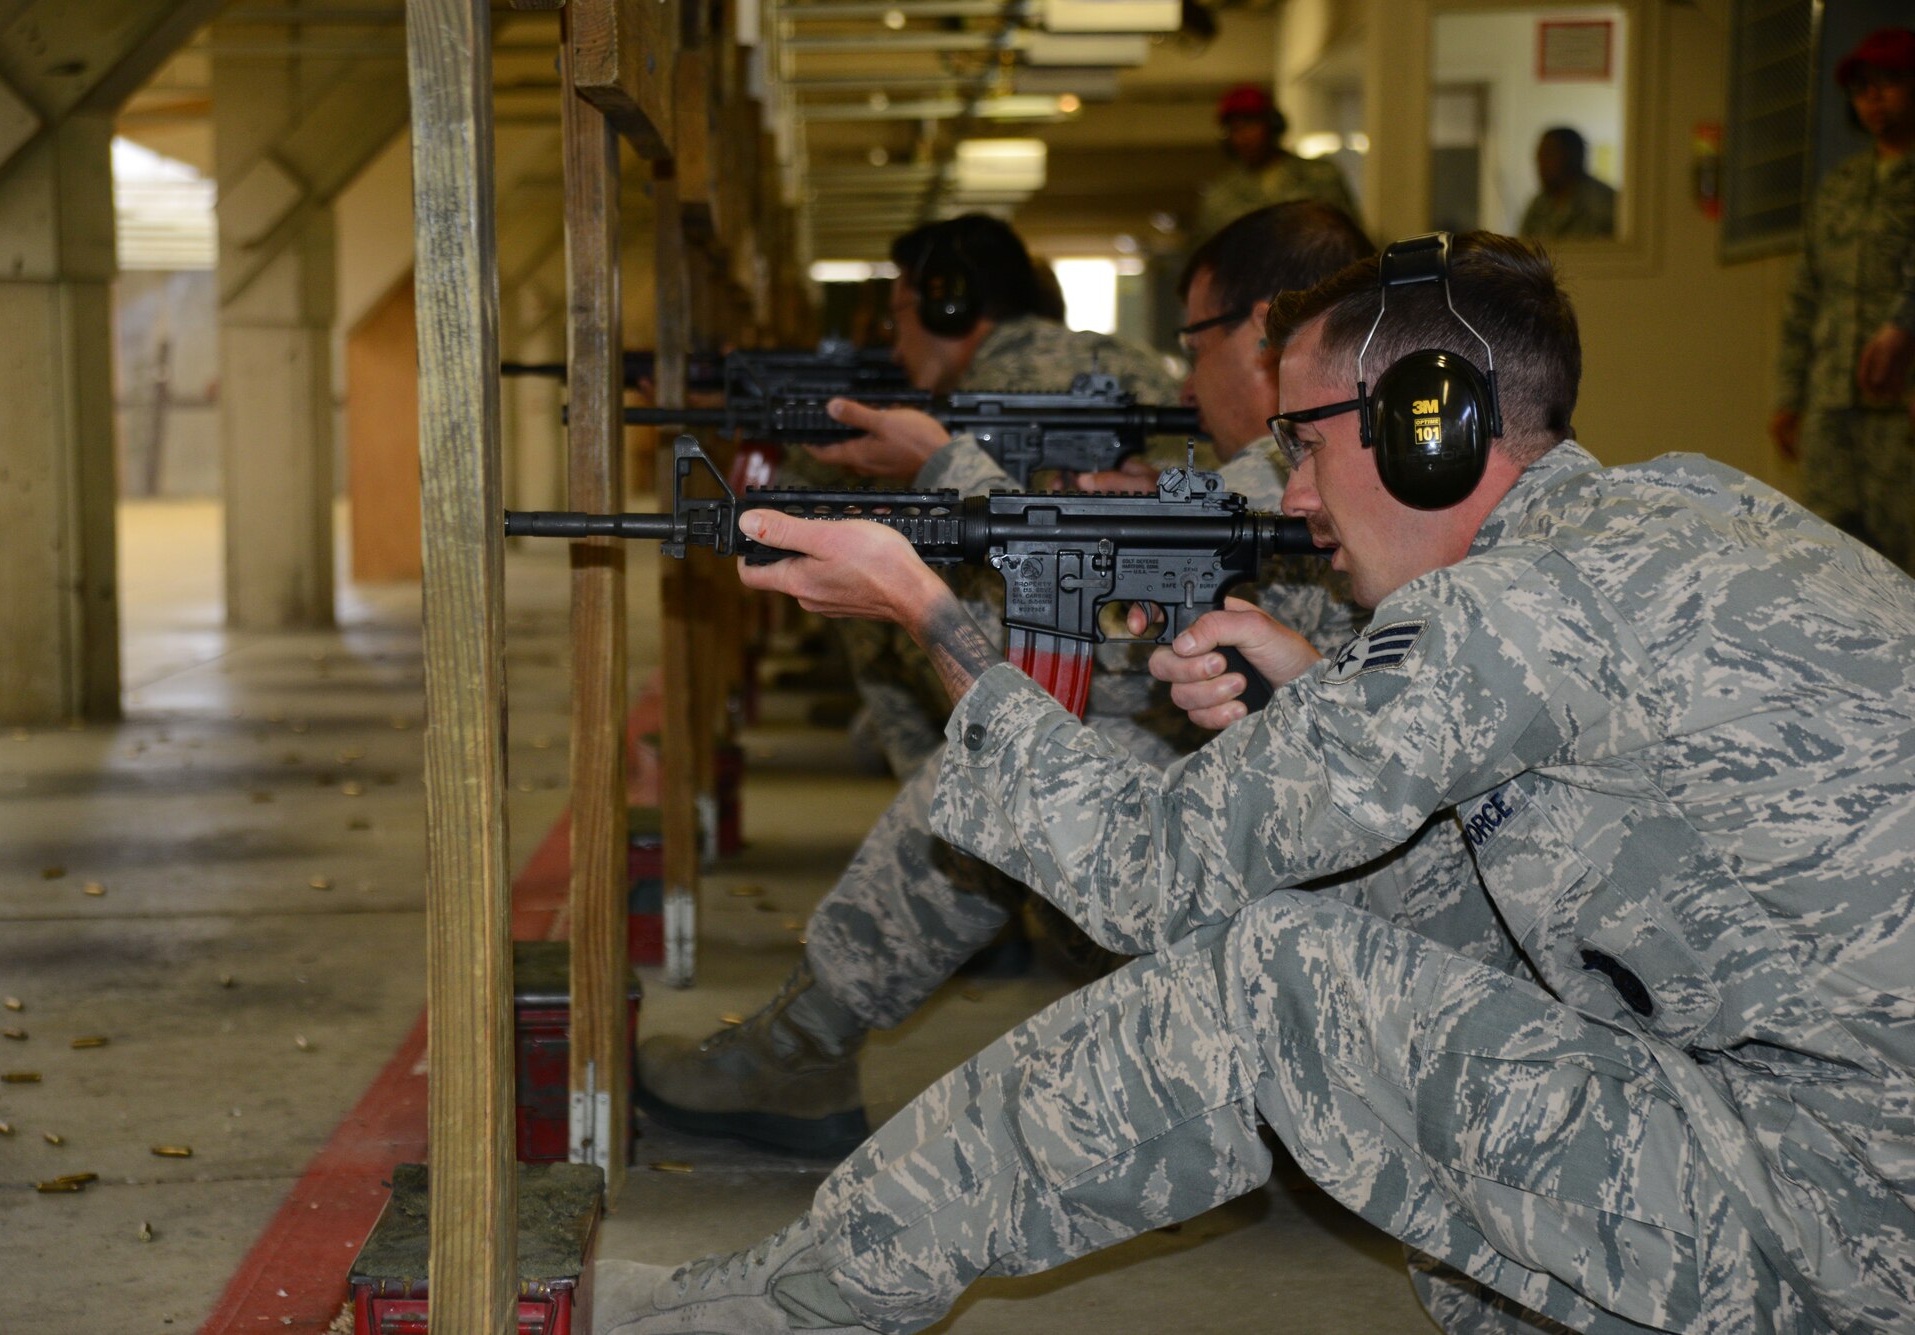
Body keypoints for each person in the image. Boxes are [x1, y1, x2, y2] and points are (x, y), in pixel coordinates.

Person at [600, 231, 1915, 1334]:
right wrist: (1321, 692)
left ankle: (800, 1302)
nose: (1290, 496)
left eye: (1305, 442)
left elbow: (1154, 878)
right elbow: (1538, 866)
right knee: (1395, 997)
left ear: (1430, 431)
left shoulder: (1515, 612)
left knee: (1275, 976)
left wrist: (924, 611)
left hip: (1843, 1219)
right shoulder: (1678, 513)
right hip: (1853, 1157)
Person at [633, 202, 1373, 1159]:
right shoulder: (1342, 468)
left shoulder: (1305, 483)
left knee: (1020, 738)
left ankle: (803, 1047)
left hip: (1339, 973)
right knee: (1031, 731)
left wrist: (946, 487)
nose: (1184, 381)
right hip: (1336, 916)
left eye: (1195, 342)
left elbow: (1057, 675)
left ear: (1271, 329)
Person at [824, 214, 1188, 780]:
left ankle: (944, 793)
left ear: (949, 306)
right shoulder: (1134, 359)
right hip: (1182, 681)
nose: (896, 350)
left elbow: (969, 608)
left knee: (880, 582)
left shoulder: (971, 405)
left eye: (899, 319)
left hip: (1082, 711)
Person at [1771, 25, 1915, 571]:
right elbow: (1805, 296)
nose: (1874, 98)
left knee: (1903, 562)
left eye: (1889, 83)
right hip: (1832, 405)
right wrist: (1790, 395)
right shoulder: (1840, 186)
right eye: (1862, 88)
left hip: (1900, 411)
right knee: (1831, 558)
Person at [1192, 85, 1361, 248]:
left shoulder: (1320, 176)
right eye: (1236, 129)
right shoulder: (1220, 195)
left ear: (1273, 126)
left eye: (1251, 124)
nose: (1244, 137)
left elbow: (1351, 237)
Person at [1518, 127, 1618, 240]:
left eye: (1549, 155)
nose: (1541, 165)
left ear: (1573, 156)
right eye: (1539, 157)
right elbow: (1524, 250)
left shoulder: (1605, 201)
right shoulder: (1538, 205)